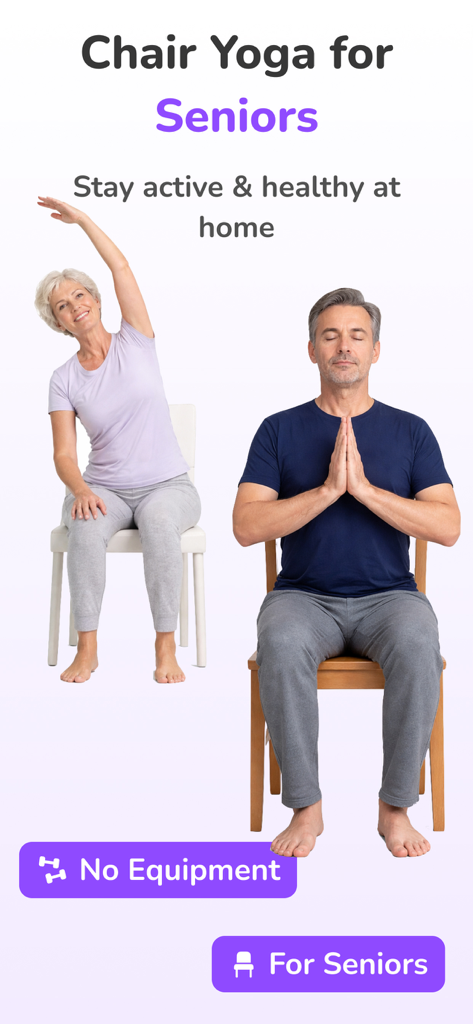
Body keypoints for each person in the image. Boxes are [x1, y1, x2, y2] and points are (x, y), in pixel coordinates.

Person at [233, 288, 460, 859]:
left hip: (390, 598)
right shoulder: (277, 430)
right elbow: (245, 525)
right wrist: (329, 491)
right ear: (311, 349)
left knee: (418, 641)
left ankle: (395, 808)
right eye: (330, 335)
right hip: (303, 597)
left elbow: (449, 526)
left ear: (376, 350)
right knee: (279, 642)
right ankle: (306, 808)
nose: (343, 346)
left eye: (356, 335)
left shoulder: (411, 431)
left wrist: (365, 491)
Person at [36, 196, 201, 685]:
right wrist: (82, 493)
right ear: (58, 322)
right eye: (63, 306)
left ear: (96, 299)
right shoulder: (63, 379)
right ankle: (87, 648)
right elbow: (64, 454)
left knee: (157, 520)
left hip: (168, 486)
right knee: (84, 527)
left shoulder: (137, 338)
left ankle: (164, 646)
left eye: (79, 296)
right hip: (102, 488)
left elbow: (121, 266)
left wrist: (83, 220)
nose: (75, 306)